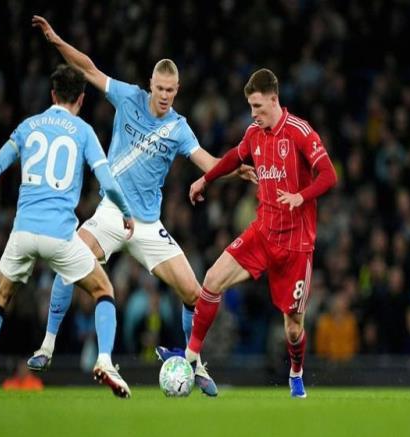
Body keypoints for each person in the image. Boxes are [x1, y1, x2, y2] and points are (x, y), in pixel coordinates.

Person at [28, 16, 255, 397]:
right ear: (151, 84)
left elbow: (207, 162)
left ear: (177, 90)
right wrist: (56, 40)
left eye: (171, 90)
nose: (164, 95)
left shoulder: (179, 128)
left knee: (194, 295)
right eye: (160, 88)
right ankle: (47, 347)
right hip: (111, 215)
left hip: (148, 225)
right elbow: (88, 69)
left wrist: (236, 171)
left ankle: (194, 362)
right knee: (67, 261)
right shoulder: (128, 97)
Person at [0, 64, 135, 399]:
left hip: (22, 233)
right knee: (103, 290)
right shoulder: (83, 131)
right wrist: (125, 212)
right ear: (81, 99)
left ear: (52, 94)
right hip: (60, 236)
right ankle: (106, 361)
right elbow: (107, 181)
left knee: (1, 297)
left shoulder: (28, 126)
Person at [161, 68, 338, 398]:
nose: (253, 114)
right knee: (211, 281)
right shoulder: (255, 133)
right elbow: (234, 157)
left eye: (257, 106)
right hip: (263, 233)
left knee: (293, 328)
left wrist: (301, 196)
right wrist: (205, 179)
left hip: (296, 245)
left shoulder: (300, 131)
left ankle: (296, 372)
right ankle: (192, 357)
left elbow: (329, 175)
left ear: (274, 99)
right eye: (250, 107)